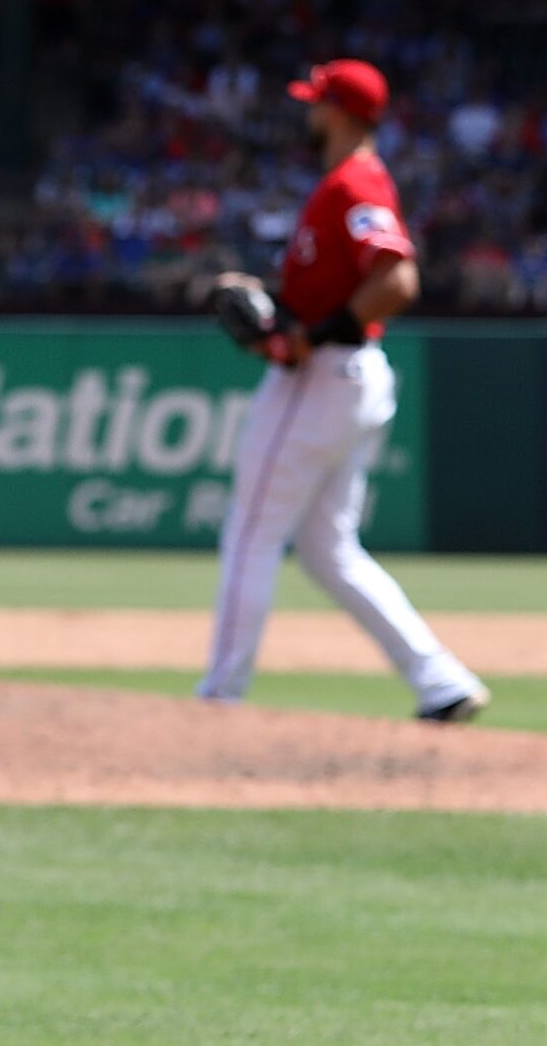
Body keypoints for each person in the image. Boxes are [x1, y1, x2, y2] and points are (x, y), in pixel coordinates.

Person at [198, 58, 488, 722]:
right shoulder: (350, 182)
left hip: (322, 376)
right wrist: (279, 306)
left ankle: (219, 697)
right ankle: (440, 679)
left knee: (250, 533)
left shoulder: (355, 184)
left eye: (316, 103)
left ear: (341, 114)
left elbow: (398, 281)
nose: (309, 113)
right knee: (328, 549)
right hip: (347, 373)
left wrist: (307, 336)